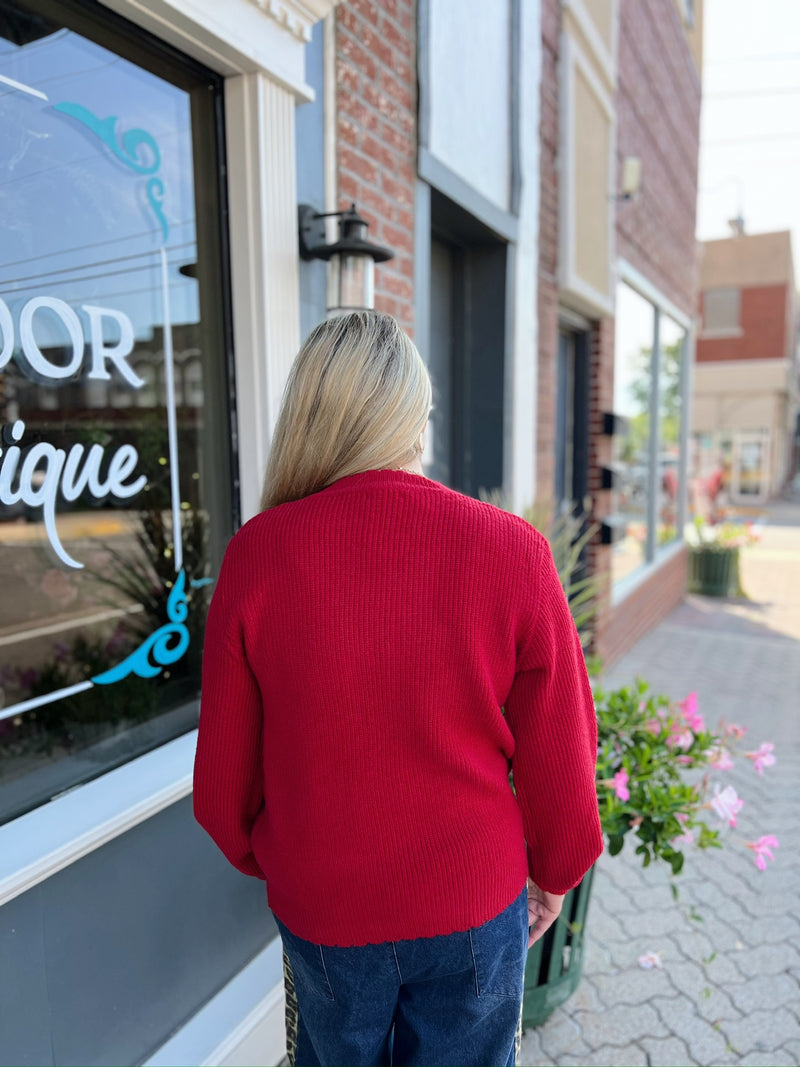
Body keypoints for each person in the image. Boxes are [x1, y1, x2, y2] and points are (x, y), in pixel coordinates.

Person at [193, 311, 603, 1067]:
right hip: (474, 902)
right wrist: (555, 873)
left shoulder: (257, 557)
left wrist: (297, 862)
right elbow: (563, 753)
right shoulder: (512, 551)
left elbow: (222, 793)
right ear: (416, 416)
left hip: (325, 908)